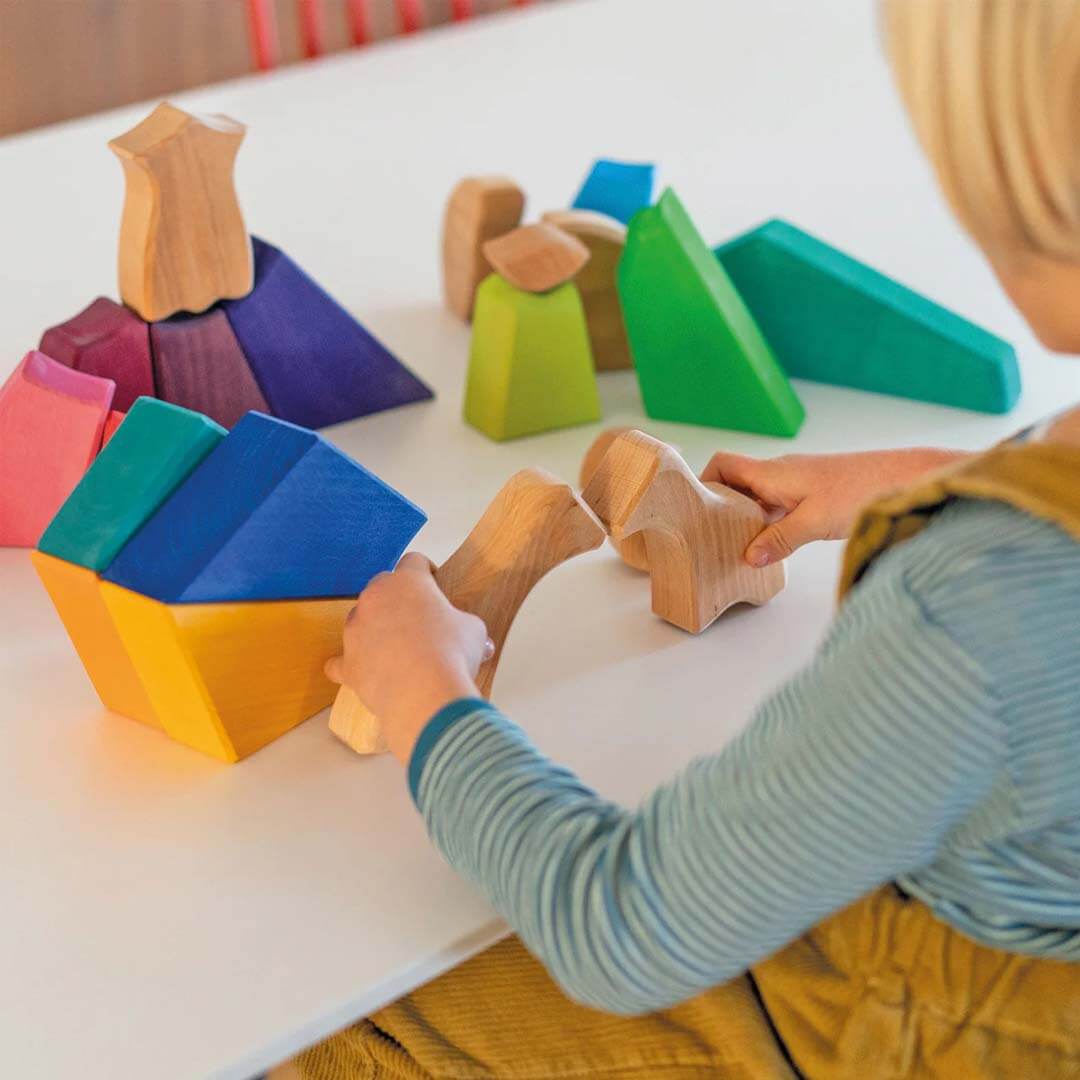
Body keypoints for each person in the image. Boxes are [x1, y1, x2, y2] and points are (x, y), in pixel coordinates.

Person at [296, 2, 1080, 1076]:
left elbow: (623, 924)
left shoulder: (971, 613)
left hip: (926, 1029)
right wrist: (912, 478)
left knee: (331, 1013)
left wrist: (429, 698)